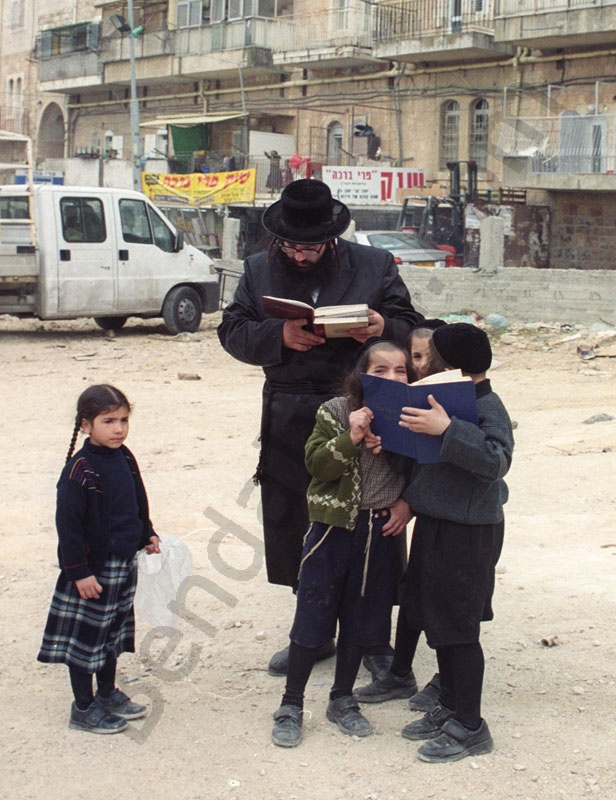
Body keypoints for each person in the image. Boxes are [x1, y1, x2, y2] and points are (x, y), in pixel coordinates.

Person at [217, 179, 423, 678]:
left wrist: (380, 327)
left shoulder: (374, 265)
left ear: (331, 238)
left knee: (372, 512)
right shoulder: (259, 269)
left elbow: (414, 326)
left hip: (364, 404)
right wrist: (280, 334)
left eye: (312, 247)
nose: (302, 256)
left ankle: (374, 637)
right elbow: (231, 331)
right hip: (291, 410)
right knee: (299, 522)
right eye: (293, 246)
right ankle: (312, 633)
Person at [271, 340, 414, 747]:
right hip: (332, 530)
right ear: (362, 374)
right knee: (313, 615)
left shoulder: (413, 416)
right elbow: (316, 464)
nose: (392, 377)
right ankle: (291, 703)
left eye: (401, 370)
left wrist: (407, 502)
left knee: (362, 617)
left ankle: (342, 698)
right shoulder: (334, 411)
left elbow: (422, 468)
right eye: (381, 370)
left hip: (380, 532)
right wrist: (352, 438)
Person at [395, 323, 514, 763]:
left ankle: (470, 725)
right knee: (437, 619)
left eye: (434, 357)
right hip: (436, 523)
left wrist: (447, 430)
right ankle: (449, 705)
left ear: (454, 365)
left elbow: (495, 461)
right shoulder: (444, 400)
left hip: (469, 532)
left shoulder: (487, 406)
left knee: (459, 629)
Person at [38, 384, 161, 734]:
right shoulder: (80, 470)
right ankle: (83, 706)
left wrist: (146, 533)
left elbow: (137, 500)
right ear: (85, 425)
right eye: (108, 421)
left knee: (112, 632)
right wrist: (79, 572)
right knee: (86, 641)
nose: (118, 428)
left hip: (123, 562)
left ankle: (107, 693)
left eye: (124, 420)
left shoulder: (124, 457)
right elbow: (69, 526)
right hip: (93, 571)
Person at [354, 319, 447, 711]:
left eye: (422, 359)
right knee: (398, 588)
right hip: (379, 511)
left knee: (431, 594)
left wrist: (409, 502)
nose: (417, 367)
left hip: (433, 514)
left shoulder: (441, 406)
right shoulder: (366, 404)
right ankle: (392, 668)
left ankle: (441, 678)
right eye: (415, 357)